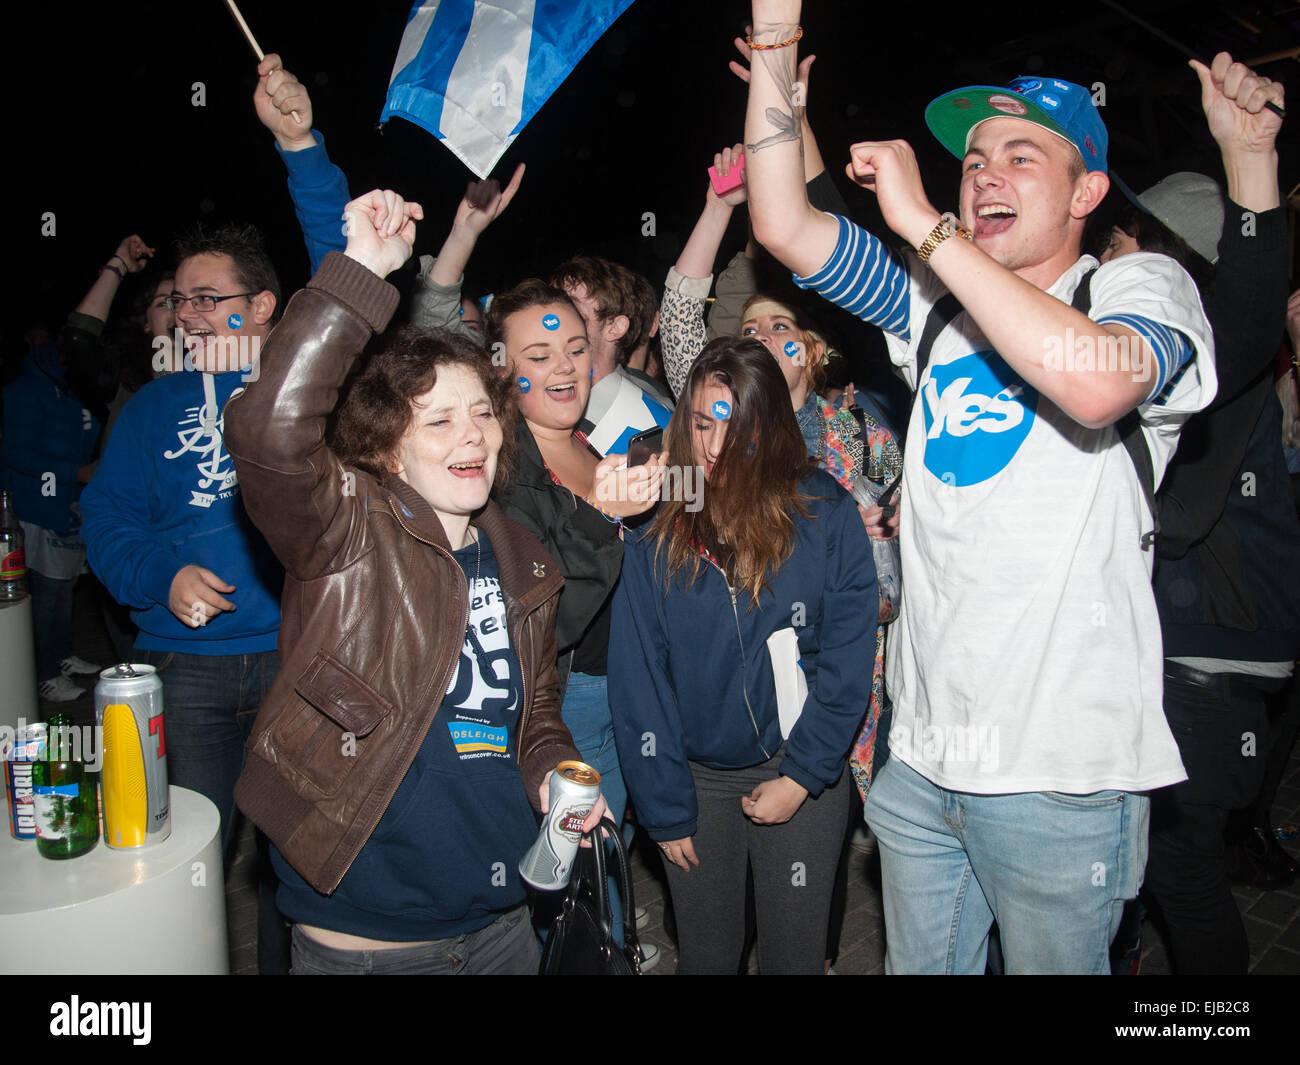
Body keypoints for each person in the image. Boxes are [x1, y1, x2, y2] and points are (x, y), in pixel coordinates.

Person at [742, 0, 1216, 973]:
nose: (985, 173)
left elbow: (1095, 384)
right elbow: (784, 225)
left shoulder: (1132, 289)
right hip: (924, 757)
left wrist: (924, 224)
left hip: (1060, 774)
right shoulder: (935, 314)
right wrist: (776, 45)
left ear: (1086, 191)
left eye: (1019, 157)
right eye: (973, 160)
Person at [225, 187, 604, 975]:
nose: (471, 434)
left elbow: (534, 713)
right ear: (389, 450)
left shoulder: (525, 558)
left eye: (482, 415)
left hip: (502, 922)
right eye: (438, 420)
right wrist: (361, 270)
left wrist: (556, 773)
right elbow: (269, 432)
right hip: (368, 935)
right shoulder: (349, 531)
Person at [1099, 53, 1297, 973]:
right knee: (1147, 870)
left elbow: (1174, 518)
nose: (1105, 255)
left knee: (1180, 873)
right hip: (1205, 655)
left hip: (1208, 660)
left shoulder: (1206, 359)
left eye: (1123, 239)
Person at [608, 337, 874, 973]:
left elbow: (846, 656)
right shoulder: (662, 512)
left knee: (794, 957)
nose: (715, 445)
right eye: (702, 422)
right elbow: (638, 677)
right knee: (707, 956)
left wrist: (804, 775)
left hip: (799, 766)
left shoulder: (821, 506)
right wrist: (665, 809)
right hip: (695, 782)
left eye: (737, 425)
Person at [79, 221, 288, 972]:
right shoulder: (150, 409)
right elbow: (104, 521)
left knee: (294, 857)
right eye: (179, 300)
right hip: (182, 664)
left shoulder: (304, 391)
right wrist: (161, 576)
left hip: (294, 660)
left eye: (208, 298)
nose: (187, 314)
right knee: (184, 858)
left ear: (262, 305)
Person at [486, 273, 664, 963]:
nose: (563, 367)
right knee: (577, 886)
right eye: (537, 355)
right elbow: (544, 622)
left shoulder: (594, 442)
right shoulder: (502, 474)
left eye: (574, 347)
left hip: (631, 689)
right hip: (571, 704)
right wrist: (604, 517)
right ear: (503, 371)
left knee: (606, 862)